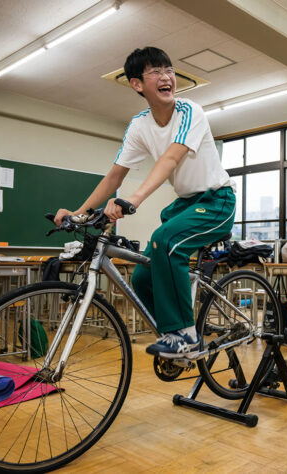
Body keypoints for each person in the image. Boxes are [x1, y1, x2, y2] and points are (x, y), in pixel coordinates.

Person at [55, 47, 235, 359]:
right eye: (156, 72)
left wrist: (132, 200)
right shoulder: (139, 125)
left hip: (217, 201)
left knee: (166, 241)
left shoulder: (190, 110)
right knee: (141, 277)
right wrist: (79, 213)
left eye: (169, 70)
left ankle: (186, 335)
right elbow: (114, 176)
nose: (167, 77)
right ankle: (173, 336)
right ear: (137, 84)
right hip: (187, 205)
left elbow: (169, 160)